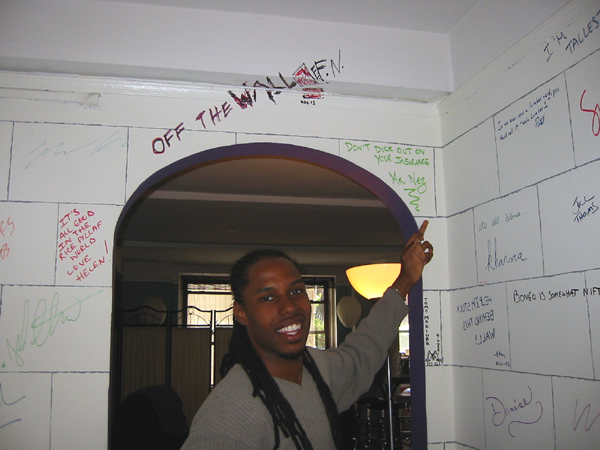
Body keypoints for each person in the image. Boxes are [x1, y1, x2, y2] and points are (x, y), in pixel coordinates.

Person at [181, 221, 433, 450]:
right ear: (241, 312)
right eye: (267, 297)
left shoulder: (318, 369)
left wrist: (406, 279)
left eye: (296, 291)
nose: (289, 307)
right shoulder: (230, 412)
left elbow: (363, 350)